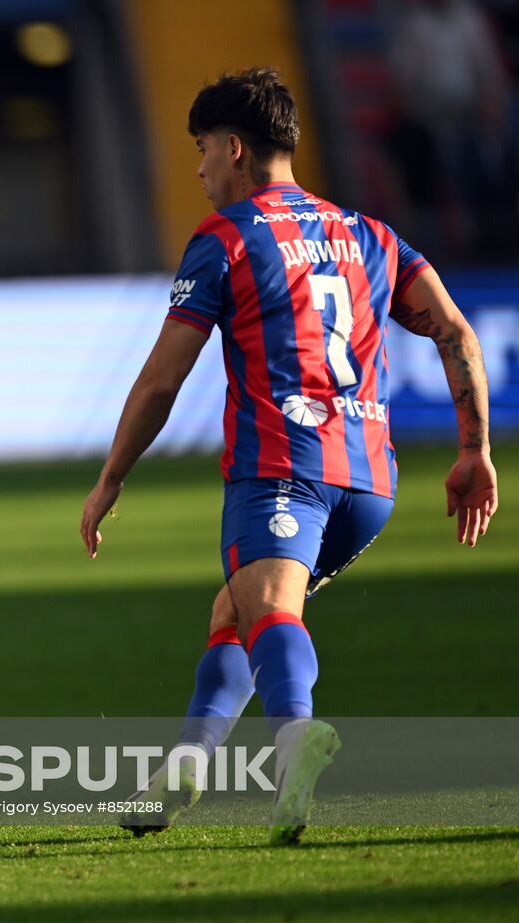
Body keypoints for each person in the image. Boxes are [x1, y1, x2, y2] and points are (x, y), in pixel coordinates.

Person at [78, 69, 498, 845]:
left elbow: (161, 379)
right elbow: (456, 333)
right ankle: (186, 770)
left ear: (234, 147)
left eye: (203, 151)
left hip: (280, 464)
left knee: (269, 603)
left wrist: (111, 477)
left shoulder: (227, 237)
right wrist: (474, 449)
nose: (201, 169)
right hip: (370, 481)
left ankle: (296, 739)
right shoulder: (371, 234)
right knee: (234, 611)